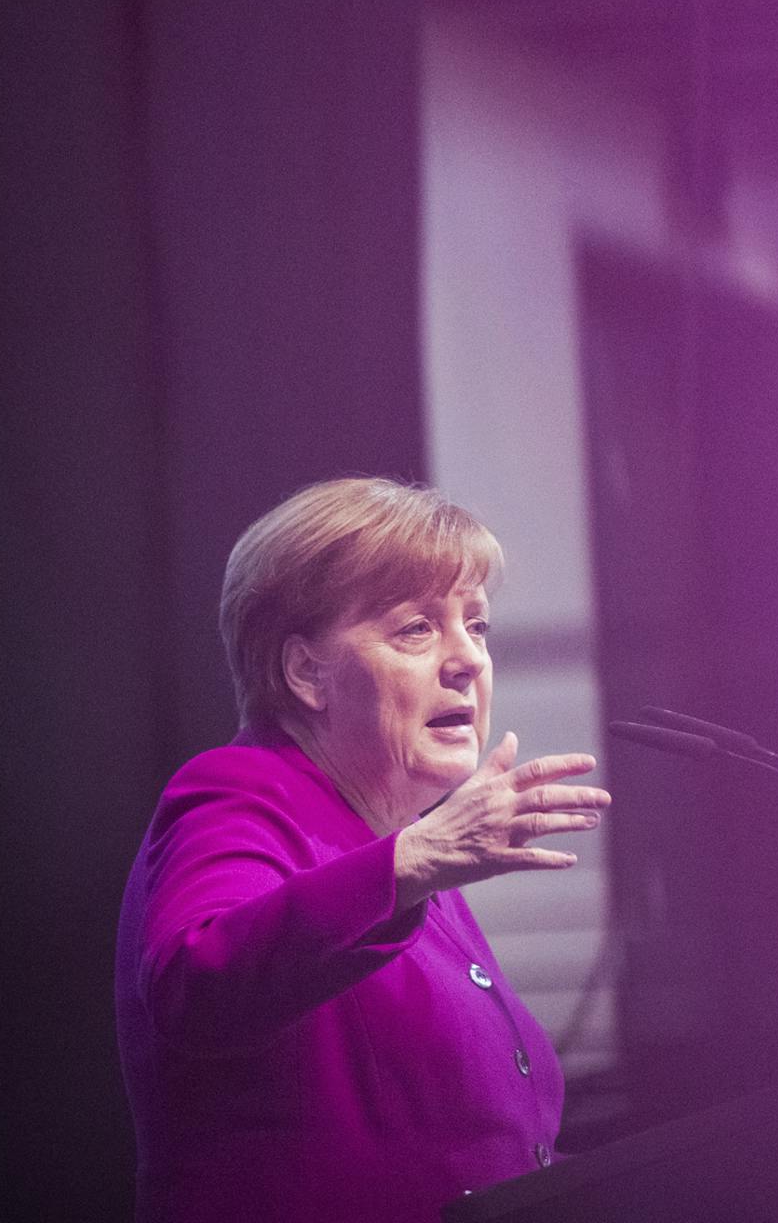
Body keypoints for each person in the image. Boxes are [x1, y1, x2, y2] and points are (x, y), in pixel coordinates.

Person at [115, 478, 610, 1223]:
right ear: (305, 673)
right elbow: (194, 981)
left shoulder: (413, 860)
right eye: (417, 628)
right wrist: (412, 862)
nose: (468, 660)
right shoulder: (242, 791)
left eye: (476, 625)